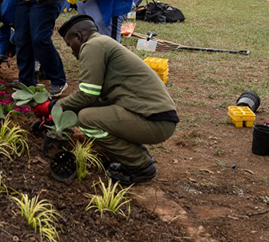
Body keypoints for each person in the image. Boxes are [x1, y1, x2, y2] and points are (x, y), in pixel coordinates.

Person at [52, 14, 178, 185]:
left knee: (87, 119)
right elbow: (94, 98)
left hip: (155, 121)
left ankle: (140, 165)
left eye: (69, 44)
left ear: (79, 37)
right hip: (156, 118)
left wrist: (55, 107)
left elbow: (87, 94)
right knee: (91, 113)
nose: (72, 50)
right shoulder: (103, 43)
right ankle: (136, 155)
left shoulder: (92, 46)